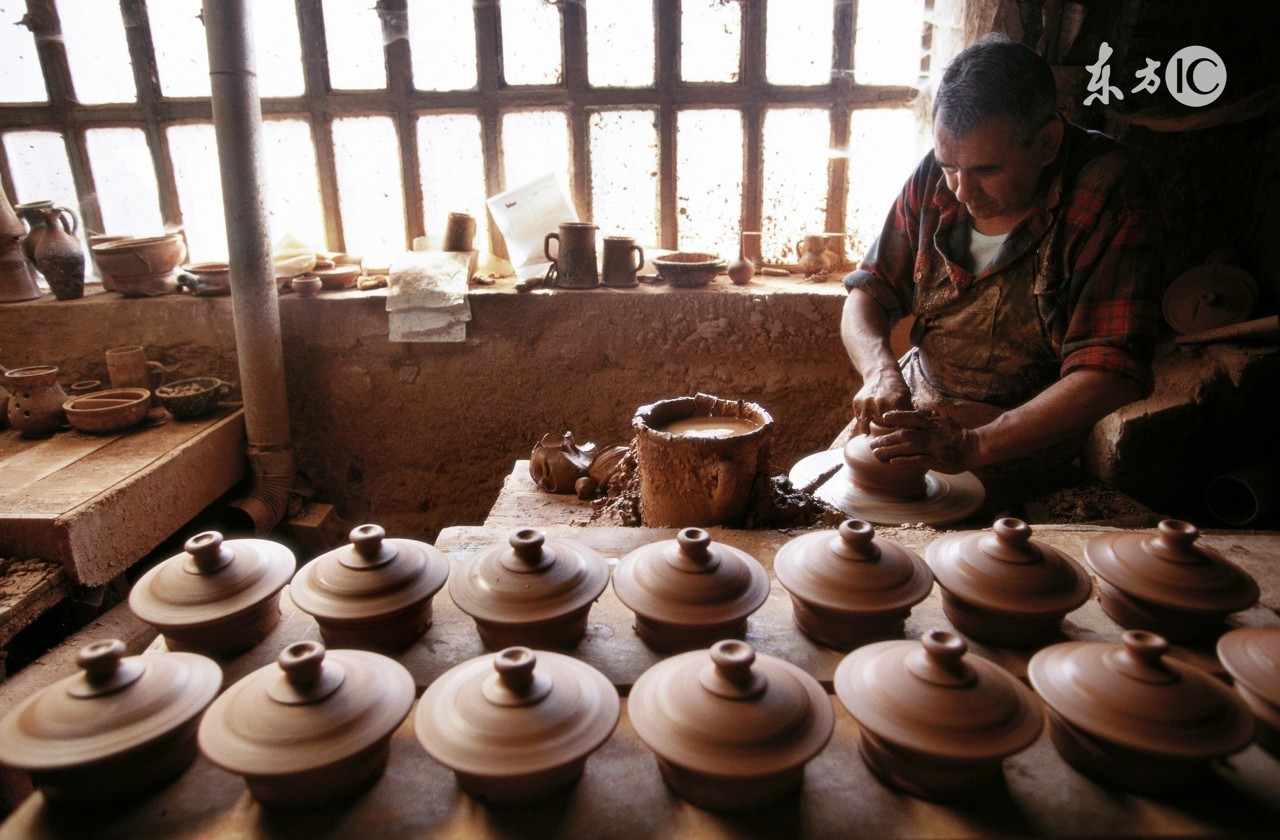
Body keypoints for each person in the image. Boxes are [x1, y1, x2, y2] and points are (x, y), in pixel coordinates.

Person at [839, 33, 1164, 499]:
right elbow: (868, 291)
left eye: (986, 171)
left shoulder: (1110, 193)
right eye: (950, 165)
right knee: (815, 514)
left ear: (1047, 144)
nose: (962, 191)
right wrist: (879, 372)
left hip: (1025, 433)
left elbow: (1111, 374)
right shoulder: (939, 173)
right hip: (919, 400)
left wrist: (971, 446)